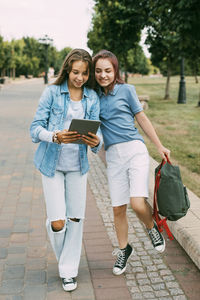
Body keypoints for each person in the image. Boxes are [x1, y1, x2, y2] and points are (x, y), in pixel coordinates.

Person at [92, 49, 170, 276]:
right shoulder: (94, 96)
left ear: (115, 70)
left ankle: (151, 227)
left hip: (135, 151)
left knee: (137, 203)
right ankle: (124, 250)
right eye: (98, 71)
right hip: (113, 156)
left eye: (107, 70)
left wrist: (159, 146)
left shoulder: (127, 90)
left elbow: (142, 118)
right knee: (118, 208)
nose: (103, 75)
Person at [30, 49, 102, 291]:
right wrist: (54, 136)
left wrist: (96, 141)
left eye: (84, 73)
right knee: (59, 222)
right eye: (75, 72)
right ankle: (66, 260)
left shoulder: (92, 97)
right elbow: (34, 129)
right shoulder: (51, 92)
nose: (79, 77)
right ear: (67, 70)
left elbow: (97, 131)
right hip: (51, 165)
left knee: (76, 218)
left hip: (77, 166)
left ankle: (68, 270)